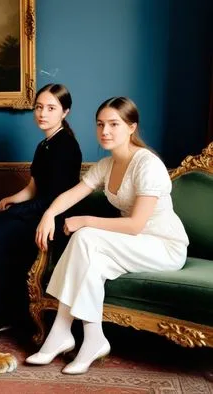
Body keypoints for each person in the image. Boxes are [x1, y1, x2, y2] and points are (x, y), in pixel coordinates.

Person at [26, 97, 189, 374]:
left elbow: (137, 224)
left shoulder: (147, 165)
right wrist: (49, 214)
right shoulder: (106, 164)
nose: (105, 131)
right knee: (91, 263)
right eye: (100, 124)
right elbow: (73, 194)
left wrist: (86, 220)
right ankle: (90, 338)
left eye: (114, 124)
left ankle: (63, 333)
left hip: (163, 246)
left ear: (131, 127)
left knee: (86, 236)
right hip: (130, 245)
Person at [0, 84, 82, 332]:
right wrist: (10, 200)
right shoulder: (44, 145)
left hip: (53, 216)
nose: (42, 113)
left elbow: (54, 198)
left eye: (50, 108)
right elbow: (32, 188)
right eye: (38, 107)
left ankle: (2, 315)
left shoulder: (66, 146)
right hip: (37, 207)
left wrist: (17, 211)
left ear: (65, 112)